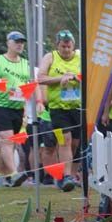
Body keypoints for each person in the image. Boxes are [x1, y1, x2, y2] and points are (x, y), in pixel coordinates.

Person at [0, 31, 31, 186]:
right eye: (16, 41)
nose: (20, 44)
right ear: (8, 43)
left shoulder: (26, 63)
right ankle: (14, 174)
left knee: (10, 143)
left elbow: (30, 84)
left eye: (22, 42)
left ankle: (2, 177)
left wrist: (34, 104)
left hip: (18, 107)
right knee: (7, 140)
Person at [37, 30, 82, 192]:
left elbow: (91, 75)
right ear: (57, 46)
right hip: (57, 108)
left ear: (73, 45)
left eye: (68, 46)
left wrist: (76, 77)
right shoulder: (50, 57)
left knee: (75, 143)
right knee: (65, 140)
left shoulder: (80, 56)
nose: (66, 50)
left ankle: (69, 174)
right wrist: (59, 79)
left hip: (77, 107)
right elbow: (40, 78)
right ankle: (67, 177)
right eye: (63, 46)